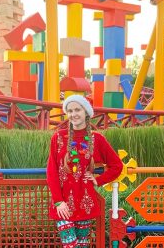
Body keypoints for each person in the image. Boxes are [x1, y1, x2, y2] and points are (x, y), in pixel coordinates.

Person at [46, 95, 123, 248]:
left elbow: (117, 166)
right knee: (71, 245)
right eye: (69, 110)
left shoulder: (97, 139)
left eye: (77, 109)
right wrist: (58, 201)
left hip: (85, 203)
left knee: (82, 245)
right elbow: (51, 171)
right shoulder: (58, 137)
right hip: (63, 205)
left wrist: (98, 180)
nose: (73, 114)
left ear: (86, 112)